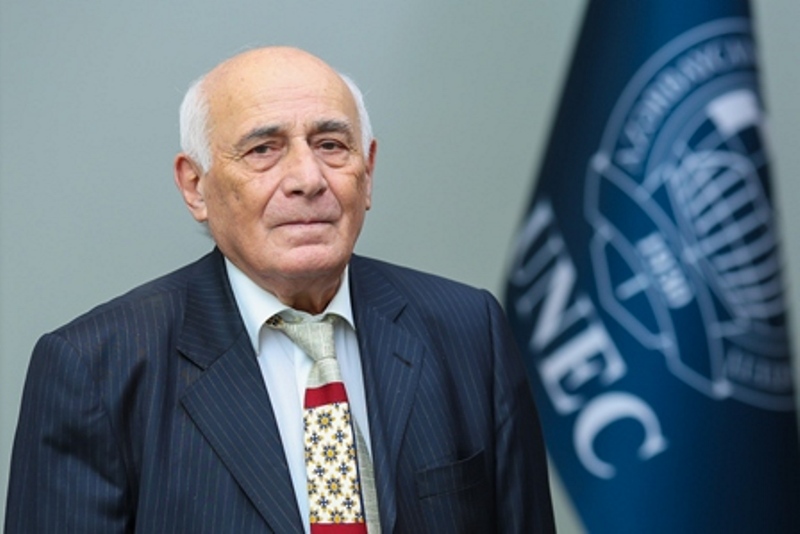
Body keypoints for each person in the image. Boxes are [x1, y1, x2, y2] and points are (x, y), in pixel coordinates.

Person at [5, 47, 555, 533]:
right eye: (263, 150)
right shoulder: (97, 368)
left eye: (331, 145)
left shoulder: (469, 330)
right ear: (195, 187)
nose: (308, 179)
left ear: (367, 172)